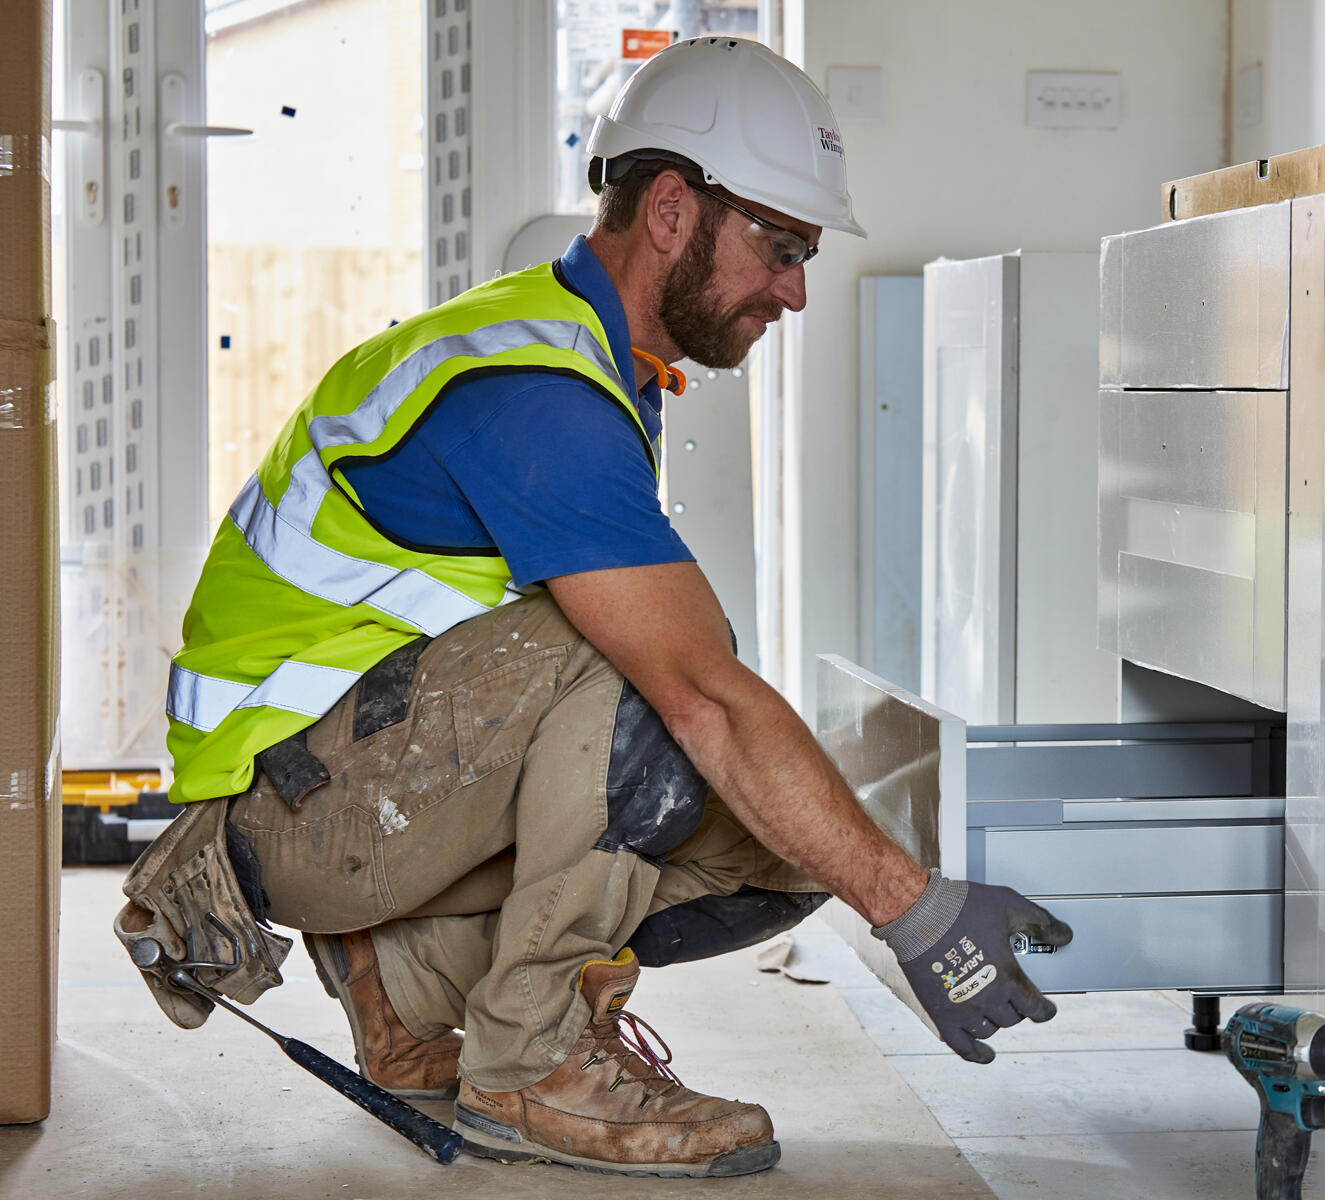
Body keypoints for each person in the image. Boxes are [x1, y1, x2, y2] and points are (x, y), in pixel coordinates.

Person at [114, 35, 1071, 1179]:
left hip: (353, 791)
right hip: (283, 811)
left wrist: (868, 867)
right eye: (781, 248)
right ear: (670, 211)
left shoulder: (590, 362)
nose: (796, 290)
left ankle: (408, 987)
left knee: (790, 842)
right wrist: (914, 910)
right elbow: (697, 689)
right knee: (652, 677)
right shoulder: (534, 388)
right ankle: (530, 1059)